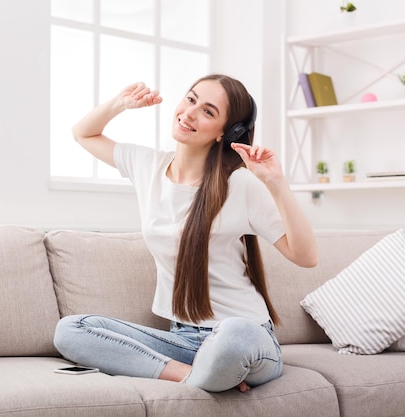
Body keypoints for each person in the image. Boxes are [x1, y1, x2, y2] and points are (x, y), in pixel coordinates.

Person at [53, 74, 317, 393]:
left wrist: (276, 183)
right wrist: (120, 104)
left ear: (226, 133)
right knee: (71, 330)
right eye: (191, 99)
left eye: (208, 111)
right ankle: (193, 376)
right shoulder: (147, 165)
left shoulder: (241, 184)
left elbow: (305, 257)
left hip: (247, 339)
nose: (190, 113)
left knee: (234, 334)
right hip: (184, 342)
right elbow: (83, 133)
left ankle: (214, 369)